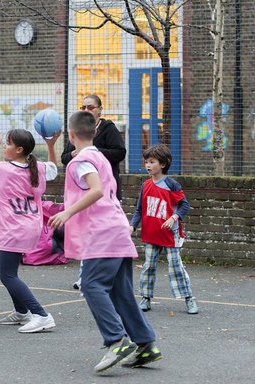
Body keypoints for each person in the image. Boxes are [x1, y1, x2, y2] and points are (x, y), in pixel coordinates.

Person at [49, 111, 161, 373]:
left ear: (72, 134)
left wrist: (67, 212)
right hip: (117, 228)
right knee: (120, 292)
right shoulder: (97, 155)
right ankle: (146, 344)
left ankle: (116, 340)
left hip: (101, 233)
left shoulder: (82, 162)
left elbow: (96, 189)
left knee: (91, 285)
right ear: (95, 133)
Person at [0, 128, 59, 333]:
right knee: (2, 264)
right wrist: (50, 145)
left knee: (7, 275)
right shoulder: (38, 167)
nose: (5, 146)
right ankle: (22, 311)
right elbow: (53, 168)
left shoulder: (1, 169)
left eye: (8, 143)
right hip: (30, 225)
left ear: (19, 149)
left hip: (14, 228)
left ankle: (41, 314)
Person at [61, 95, 126, 290]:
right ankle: (85, 276)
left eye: (91, 106)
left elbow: (119, 152)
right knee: (88, 236)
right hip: (83, 194)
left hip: (105, 192)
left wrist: (91, 151)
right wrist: (75, 153)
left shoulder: (108, 129)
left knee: (105, 238)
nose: (87, 109)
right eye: (83, 106)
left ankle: (104, 277)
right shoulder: (78, 133)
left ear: (100, 110)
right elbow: (65, 158)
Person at [130, 144, 198, 314]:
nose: (147, 165)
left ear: (162, 164)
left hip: (170, 234)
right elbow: (139, 210)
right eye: (146, 161)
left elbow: (184, 205)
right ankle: (145, 298)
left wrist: (173, 218)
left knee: (175, 266)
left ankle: (189, 298)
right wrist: (132, 226)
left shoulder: (171, 184)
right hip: (151, 233)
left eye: (152, 162)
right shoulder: (145, 185)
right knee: (149, 266)